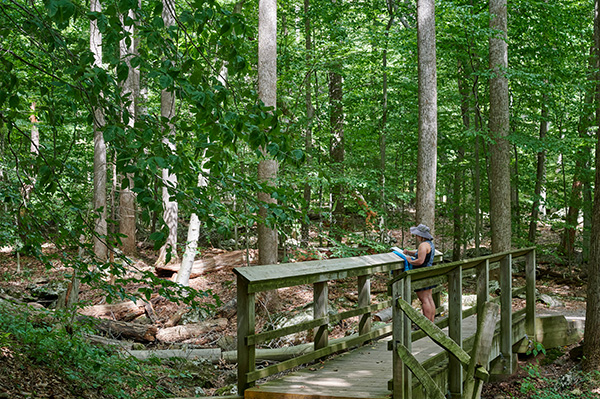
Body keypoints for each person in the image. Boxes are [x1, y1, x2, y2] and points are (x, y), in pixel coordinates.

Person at [403, 224, 436, 322]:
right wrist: (409, 252)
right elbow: (421, 254)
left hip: (421, 273)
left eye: (417, 235)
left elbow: (420, 260)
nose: (416, 237)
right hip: (428, 272)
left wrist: (410, 261)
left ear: (421, 236)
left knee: (424, 299)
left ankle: (426, 323)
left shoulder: (422, 245)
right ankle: (431, 321)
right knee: (429, 298)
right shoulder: (429, 244)